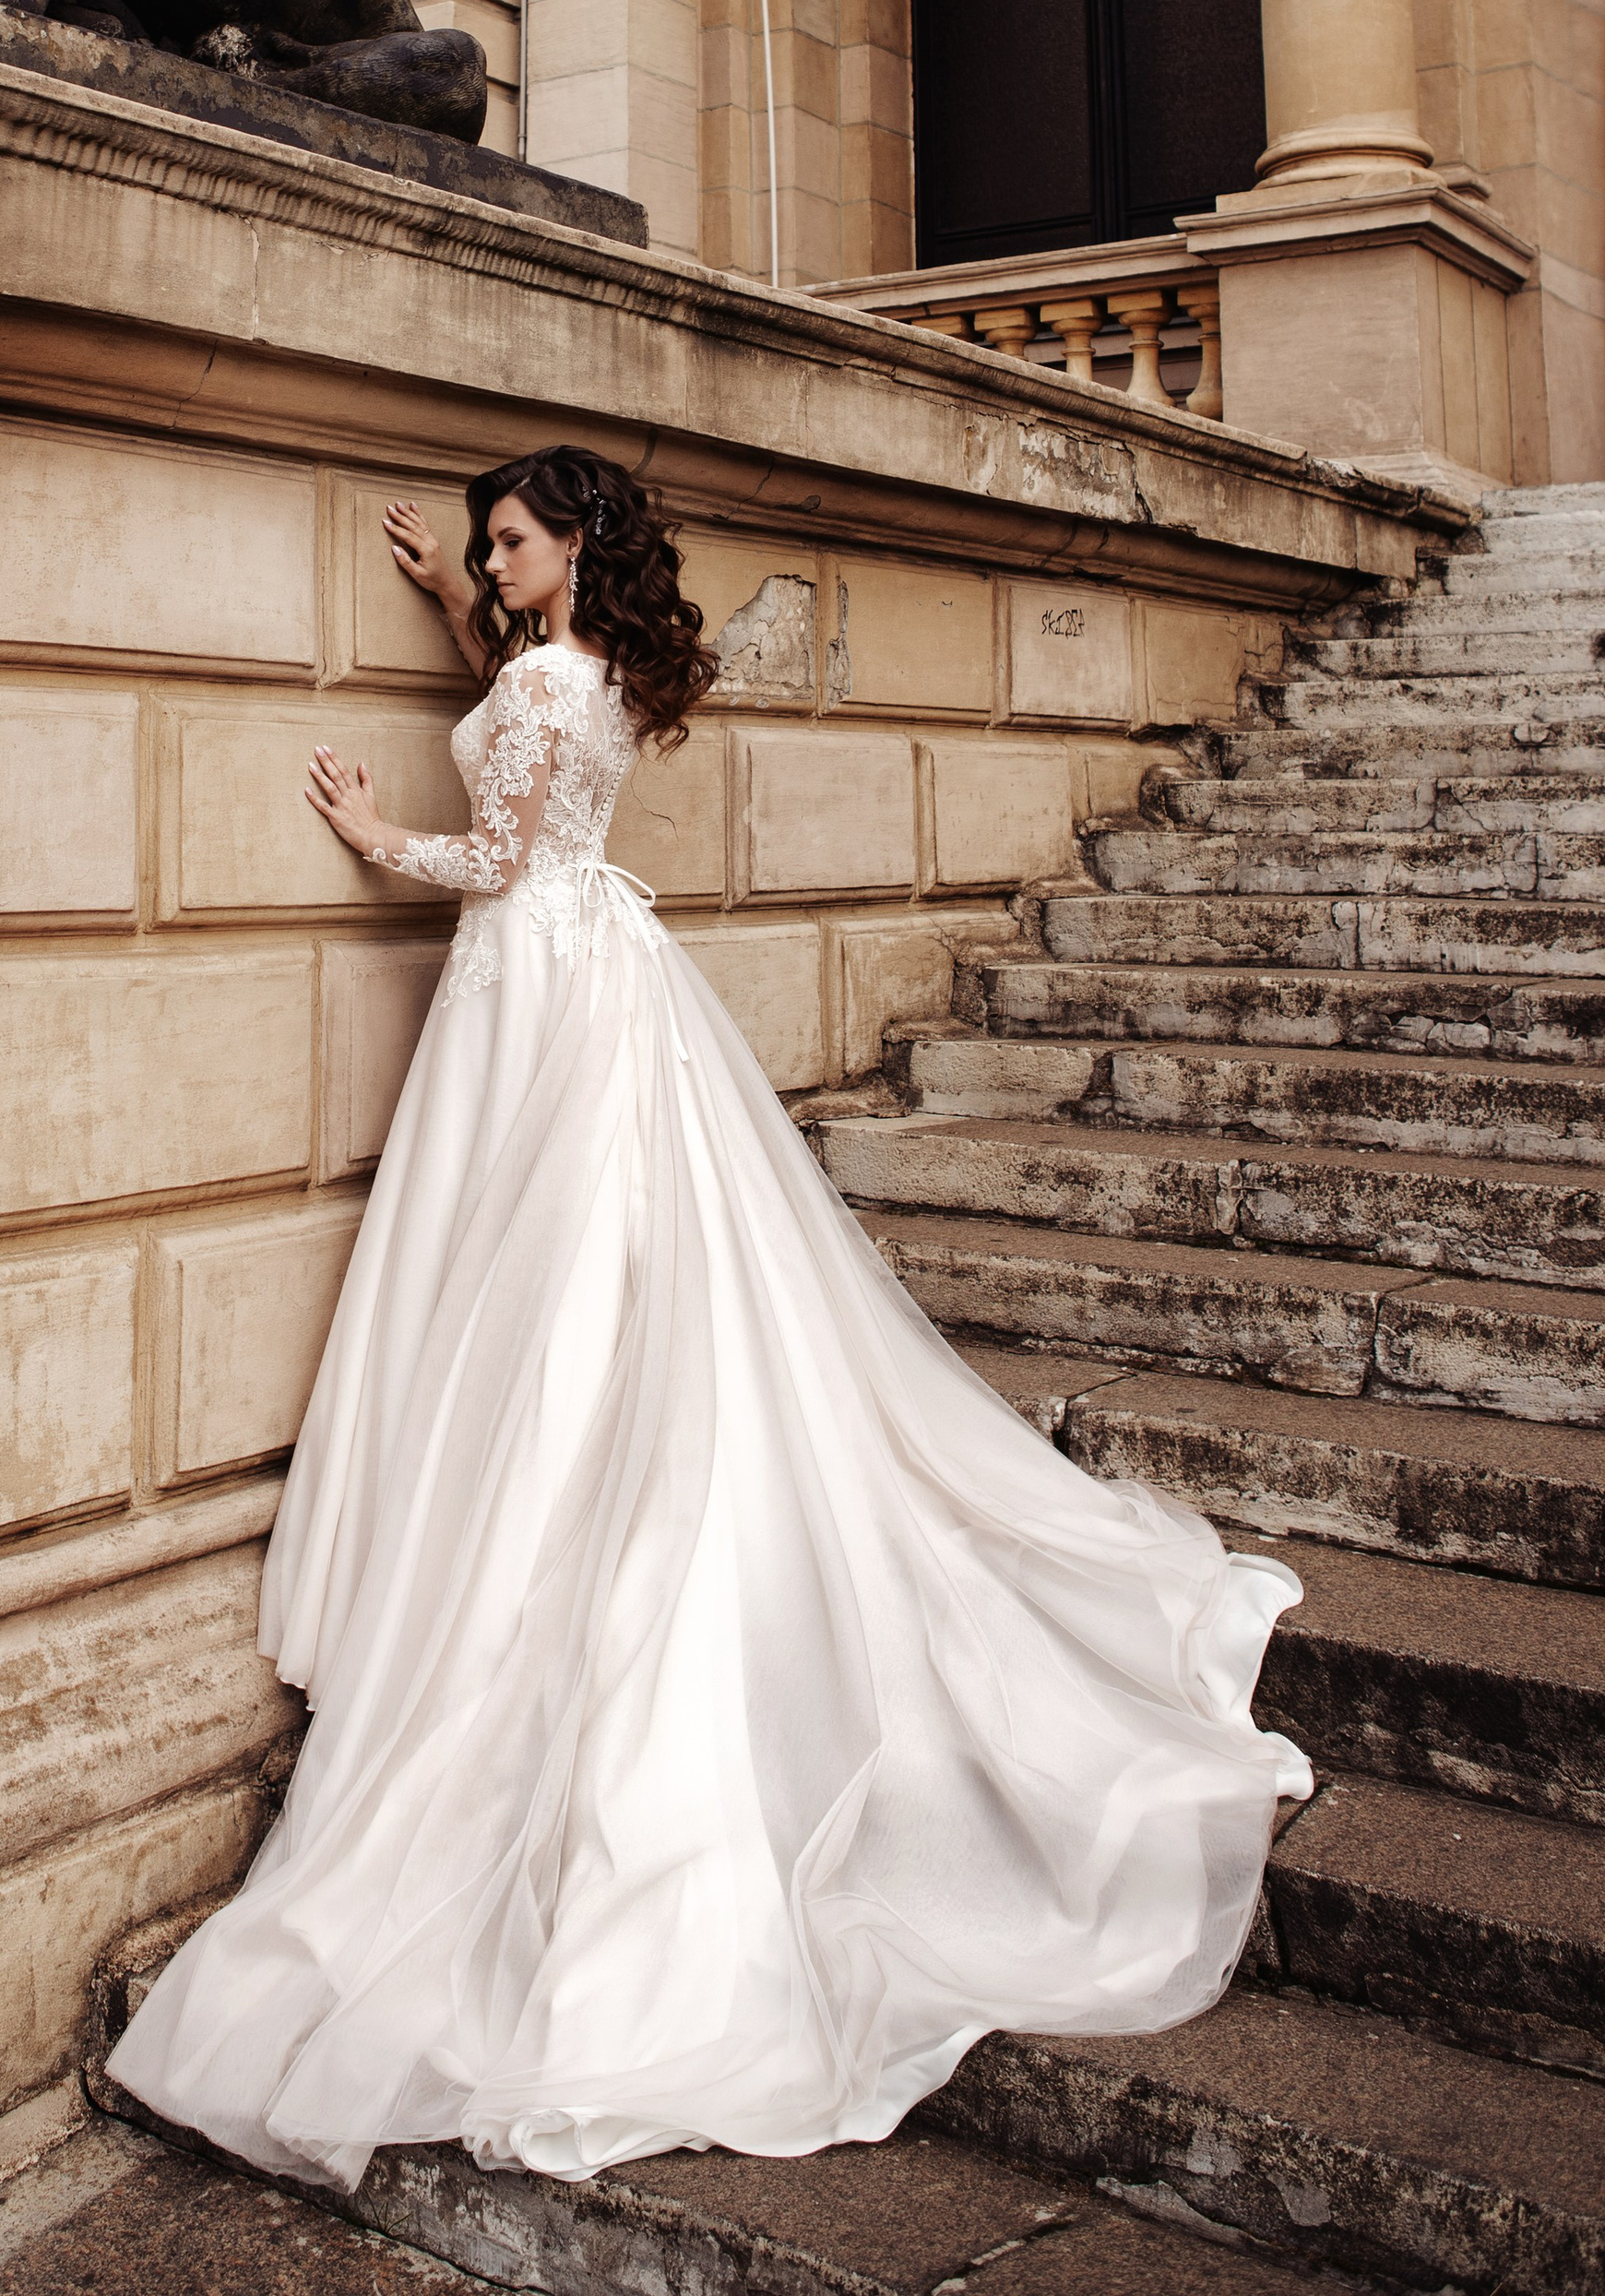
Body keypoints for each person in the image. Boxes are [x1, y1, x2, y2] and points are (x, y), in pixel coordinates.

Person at [108, 444, 1310, 2195]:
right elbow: (530, 732)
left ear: (570, 542)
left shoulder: (545, 679)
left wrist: (371, 832)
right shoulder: (586, 667)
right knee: (583, 1270)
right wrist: (454, 610)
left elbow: (497, 853)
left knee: (537, 1276)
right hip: (591, 974)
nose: (486, 562)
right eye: (480, 547)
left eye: (505, 541)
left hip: (536, 980)